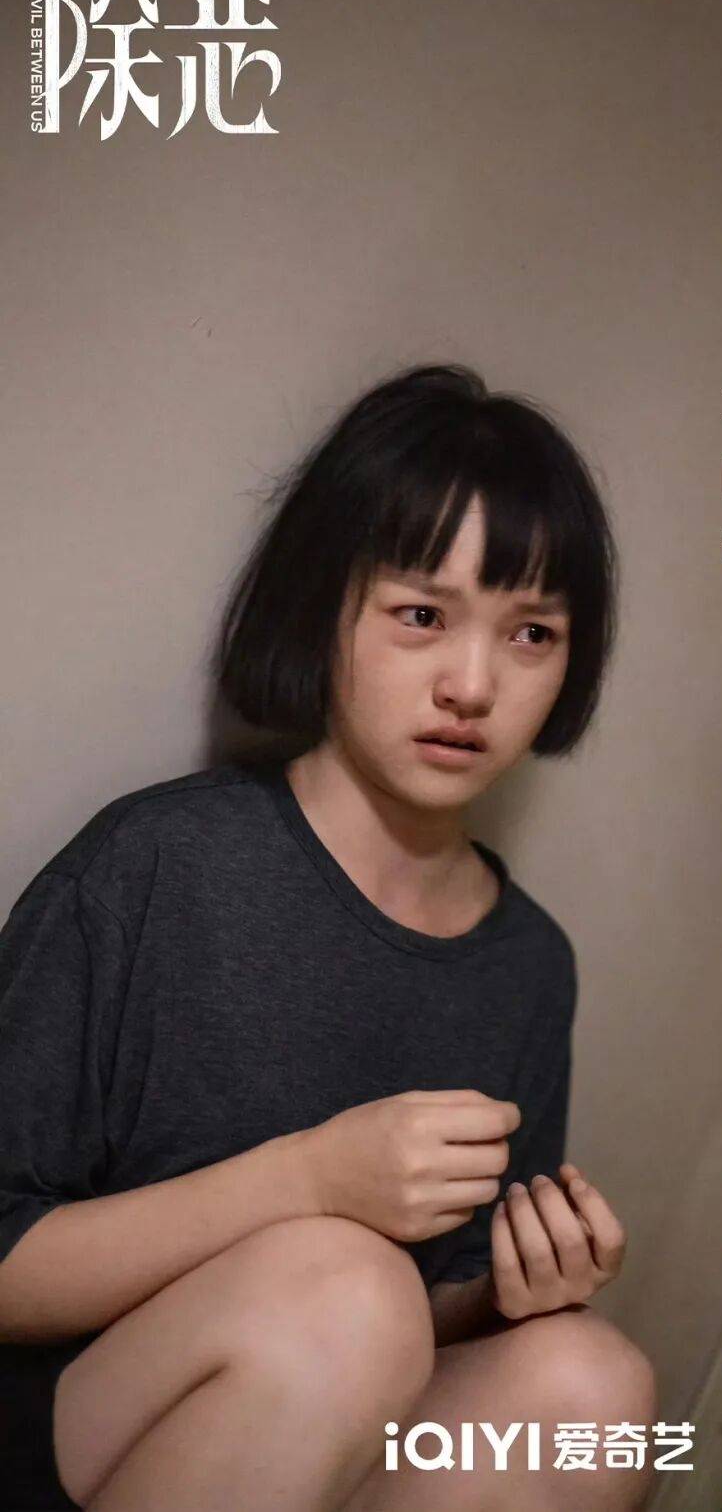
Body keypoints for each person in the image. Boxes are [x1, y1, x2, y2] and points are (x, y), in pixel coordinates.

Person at [0, 364, 658, 1512]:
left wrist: (513, 1292)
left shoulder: (529, 966)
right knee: (348, 1286)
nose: (472, 685)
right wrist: (309, 1181)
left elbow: (428, 1318)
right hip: (60, 1421)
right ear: (325, 607)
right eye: (422, 616)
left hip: (310, 1423)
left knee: (594, 1387)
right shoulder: (162, 863)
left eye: (531, 633)